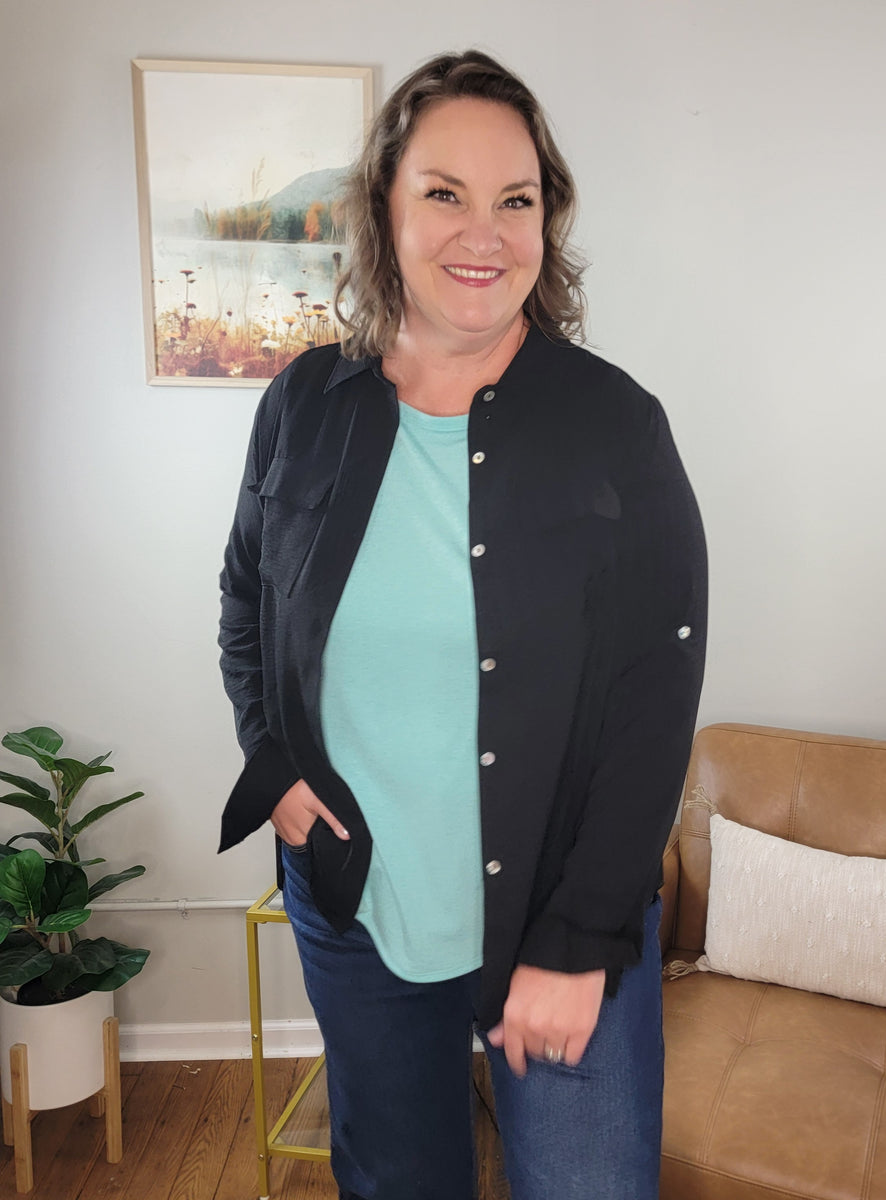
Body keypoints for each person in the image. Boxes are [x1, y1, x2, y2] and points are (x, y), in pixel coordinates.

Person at [218, 49, 707, 1200]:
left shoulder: (615, 428)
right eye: (443, 193)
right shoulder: (305, 401)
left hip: (555, 924)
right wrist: (271, 760)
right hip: (356, 908)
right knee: (395, 1183)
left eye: (515, 200)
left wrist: (583, 935)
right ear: (384, 210)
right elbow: (248, 596)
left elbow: (655, 696)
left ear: (548, 222)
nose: (481, 232)